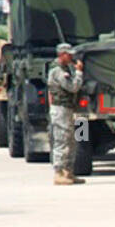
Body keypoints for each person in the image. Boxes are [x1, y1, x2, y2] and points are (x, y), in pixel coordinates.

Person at [47, 45, 85, 185]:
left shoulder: (65, 68)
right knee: (61, 140)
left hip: (67, 108)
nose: (71, 57)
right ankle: (59, 173)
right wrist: (79, 72)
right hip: (60, 109)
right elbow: (73, 87)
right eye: (69, 55)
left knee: (70, 141)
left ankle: (68, 172)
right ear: (62, 54)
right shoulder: (58, 71)